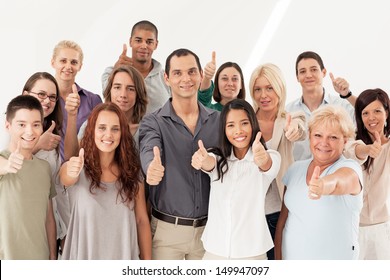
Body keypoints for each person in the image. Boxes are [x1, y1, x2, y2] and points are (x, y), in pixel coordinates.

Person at [139, 48, 220, 260]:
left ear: (201, 75)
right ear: (166, 78)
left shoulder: (219, 121)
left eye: (192, 72)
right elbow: (149, 147)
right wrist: (151, 167)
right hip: (167, 234)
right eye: (177, 73)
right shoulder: (153, 122)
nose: (186, 78)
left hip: (210, 232)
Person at [59, 103, 151, 260]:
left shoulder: (132, 174)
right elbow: (65, 178)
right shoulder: (77, 167)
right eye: (102, 128)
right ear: (92, 130)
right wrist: (71, 170)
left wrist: (148, 265)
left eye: (115, 129)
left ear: (122, 133)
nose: (108, 135)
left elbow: (141, 221)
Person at [192, 99, 281, 260]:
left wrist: (262, 158)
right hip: (215, 252)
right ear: (224, 130)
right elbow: (209, 162)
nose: (238, 131)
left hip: (252, 255)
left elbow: (268, 165)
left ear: (253, 124)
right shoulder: (219, 160)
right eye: (231, 125)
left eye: (244, 123)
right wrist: (201, 159)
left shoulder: (271, 156)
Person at [274, 105, 363, 260]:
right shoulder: (295, 169)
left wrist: (323, 185)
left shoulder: (350, 168)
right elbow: (282, 223)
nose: (324, 143)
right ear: (310, 136)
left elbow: (339, 181)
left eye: (333, 137)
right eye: (318, 135)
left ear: (345, 141)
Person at [249, 63, 306, 259]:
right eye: (258, 89)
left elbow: (300, 128)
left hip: (279, 211)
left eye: (269, 88)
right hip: (250, 211)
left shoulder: (291, 118)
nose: (263, 95)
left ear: (280, 88)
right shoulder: (245, 122)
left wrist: (294, 131)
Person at [0, 95, 56, 260]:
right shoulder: (3, 161)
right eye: (21, 125)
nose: (30, 131)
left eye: (36, 125)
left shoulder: (44, 168)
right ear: (8, 126)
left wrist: (53, 256)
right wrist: (7, 166)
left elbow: (49, 218)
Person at [344, 88, 390, 259]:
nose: (371, 118)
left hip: (381, 229)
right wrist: (368, 150)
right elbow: (353, 152)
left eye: (377, 111)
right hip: (353, 229)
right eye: (365, 113)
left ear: (387, 112)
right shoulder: (352, 141)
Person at [286, 51, 357, 161]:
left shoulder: (341, 105)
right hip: (300, 176)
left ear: (323, 72)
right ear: (297, 77)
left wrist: (347, 94)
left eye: (314, 69)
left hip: (335, 174)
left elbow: (368, 113)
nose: (309, 75)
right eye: (303, 71)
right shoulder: (288, 111)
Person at [102, 20, 170, 115]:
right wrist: (116, 71)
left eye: (149, 42)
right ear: (130, 41)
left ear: (156, 44)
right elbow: (107, 98)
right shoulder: (110, 72)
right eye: (138, 40)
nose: (144, 46)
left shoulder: (167, 77)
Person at [51, 40, 102, 160]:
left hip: (83, 169)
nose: (68, 66)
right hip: (48, 169)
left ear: (80, 66)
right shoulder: (43, 99)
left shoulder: (93, 100)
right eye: (63, 61)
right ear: (53, 62)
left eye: (73, 62)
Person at [78, 65, 148, 147]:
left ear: (138, 94)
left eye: (130, 89)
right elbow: (74, 155)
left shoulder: (146, 130)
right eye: (117, 87)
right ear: (109, 90)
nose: (123, 95)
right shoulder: (91, 124)